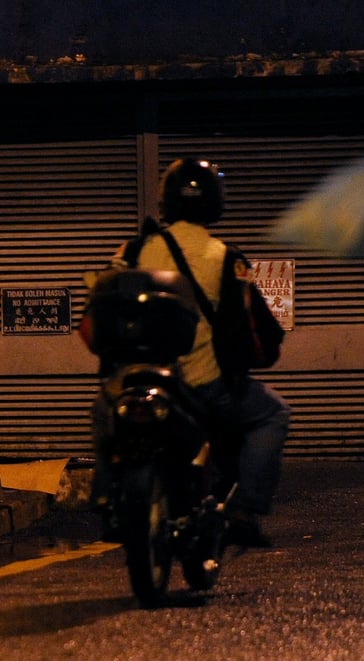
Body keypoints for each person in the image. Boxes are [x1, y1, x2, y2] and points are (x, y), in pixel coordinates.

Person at [92, 158, 291, 546]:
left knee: (104, 408)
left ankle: (106, 498)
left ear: (166, 201)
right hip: (204, 389)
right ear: (215, 203)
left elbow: (98, 312)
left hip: (136, 382)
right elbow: (258, 329)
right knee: (273, 414)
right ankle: (244, 511)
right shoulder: (225, 258)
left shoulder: (132, 251)